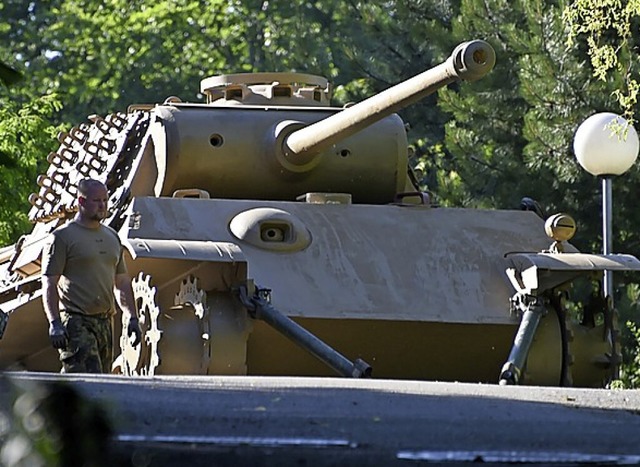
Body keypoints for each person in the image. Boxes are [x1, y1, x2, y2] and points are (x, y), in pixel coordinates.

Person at [41, 178, 141, 373]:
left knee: (102, 382)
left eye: (105, 200)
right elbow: (49, 282)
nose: (102, 205)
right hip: (77, 320)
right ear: (81, 201)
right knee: (86, 381)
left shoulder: (112, 237)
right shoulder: (62, 237)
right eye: (96, 201)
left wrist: (132, 317)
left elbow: (121, 282)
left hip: (105, 321)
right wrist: (54, 323)